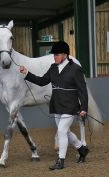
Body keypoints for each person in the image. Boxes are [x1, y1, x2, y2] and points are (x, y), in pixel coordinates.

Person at [19, 41, 89, 170]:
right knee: (66, 132)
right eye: (54, 55)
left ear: (65, 55)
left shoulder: (75, 69)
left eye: (57, 54)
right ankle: (82, 149)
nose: (54, 57)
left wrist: (83, 108)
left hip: (70, 106)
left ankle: (60, 161)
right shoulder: (53, 67)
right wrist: (26, 73)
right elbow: (41, 81)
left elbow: (82, 90)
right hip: (57, 105)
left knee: (61, 130)